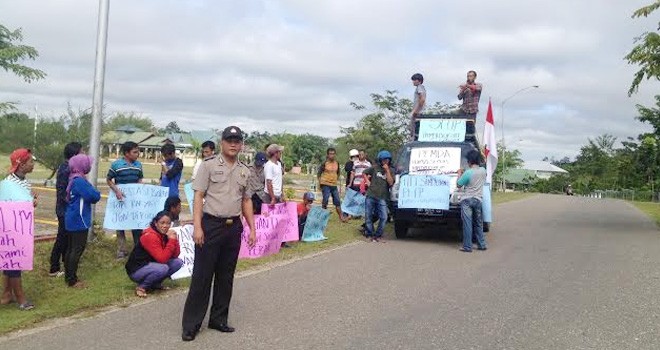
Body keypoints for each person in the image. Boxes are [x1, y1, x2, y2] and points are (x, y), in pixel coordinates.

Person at [181, 125, 256, 341]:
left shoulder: (245, 170)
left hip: (233, 228)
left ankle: (218, 319)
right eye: (229, 140)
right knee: (202, 277)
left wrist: (252, 229)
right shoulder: (209, 165)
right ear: (222, 142)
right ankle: (191, 324)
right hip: (211, 225)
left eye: (237, 140)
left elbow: (246, 200)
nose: (233, 144)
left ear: (241, 144)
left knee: (226, 277)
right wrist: (197, 226)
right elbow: (198, 196)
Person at [1, 148, 37, 310]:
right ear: (21, 165)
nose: (33, 164)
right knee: (14, 263)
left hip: (21, 230)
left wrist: (32, 202)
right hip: (10, 231)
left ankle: (7, 294)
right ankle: (21, 299)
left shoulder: (23, 182)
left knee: (10, 263)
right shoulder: (8, 184)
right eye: (30, 162)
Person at [125, 211, 183, 298]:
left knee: (178, 262)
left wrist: (175, 239)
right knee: (163, 268)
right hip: (136, 269)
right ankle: (141, 287)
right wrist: (171, 241)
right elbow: (162, 259)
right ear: (156, 223)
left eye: (168, 223)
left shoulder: (164, 234)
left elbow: (175, 255)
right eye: (162, 223)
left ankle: (155, 284)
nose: (165, 226)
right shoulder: (149, 236)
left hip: (151, 265)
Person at [64, 154, 101, 288]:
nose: (90, 166)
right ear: (82, 166)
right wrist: (96, 192)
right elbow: (93, 196)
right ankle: (72, 280)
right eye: (88, 164)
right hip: (79, 220)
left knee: (70, 249)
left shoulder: (73, 178)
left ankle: (69, 276)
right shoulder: (80, 181)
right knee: (76, 249)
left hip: (71, 218)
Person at [49, 142, 82, 277]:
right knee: (62, 238)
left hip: (67, 209)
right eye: (81, 153)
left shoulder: (70, 167)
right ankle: (54, 267)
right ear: (74, 155)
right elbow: (62, 192)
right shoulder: (66, 169)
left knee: (67, 238)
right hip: (64, 210)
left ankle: (66, 263)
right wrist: (71, 204)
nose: (84, 155)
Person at [107, 141, 144, 259]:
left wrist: (139, 188)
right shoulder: (116, 165)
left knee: (136, 225)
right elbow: (109, 180)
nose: (137, 154)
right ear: (127, 153)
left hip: (134, 201)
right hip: (120, 200)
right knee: (120, 224)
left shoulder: (138, 165)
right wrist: (116, 190)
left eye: (138, 151)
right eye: (135, 152)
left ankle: (138, 249)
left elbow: (139, 179)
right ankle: (121, 251)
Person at [456, 149, 487, 252]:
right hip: (478, 200)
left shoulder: (468, 172)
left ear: (469, 161)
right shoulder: (483, 171)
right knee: (478, 223)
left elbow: (459, 184)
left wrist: (460, 173)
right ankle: (481, 244)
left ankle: (467, 246)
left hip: (467, 201)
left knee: (467, 223)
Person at [362, 150, 394, 242]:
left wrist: (387, 170)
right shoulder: (375, 168)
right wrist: (367, 181)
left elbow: (391, 183)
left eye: (387, 159)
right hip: (371, 194)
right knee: (368, 216)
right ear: (380, 160)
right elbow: (364, 172)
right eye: (384, 160)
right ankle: (370, 233)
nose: (386, 161)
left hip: (383, 197)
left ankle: (378, 234)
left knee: (383, 217)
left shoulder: (391, 170)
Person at [317, 147, 347, 222]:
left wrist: (336, 180)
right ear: (327, 155)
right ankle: (322, 217)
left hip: (333, 185)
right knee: (325, 200)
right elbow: (319, 173)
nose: (332, 155)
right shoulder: (324, 163)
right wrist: (320, 183)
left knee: (337, 201)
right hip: (325, 184)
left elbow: (338, 172)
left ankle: (341, 217)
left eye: (333, 154)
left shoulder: (337, 163)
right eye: (330, 154)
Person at [458, 70, 483, 136]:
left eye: (471, 76)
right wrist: (463, 89)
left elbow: (477, 89)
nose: (469, 77)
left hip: (473, 111)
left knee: (471, 129)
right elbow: (459, 97)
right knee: (462, 128)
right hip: (464, 110)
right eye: (468, 76)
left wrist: (467, 86)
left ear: (475, 77)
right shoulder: (464, 87)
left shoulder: (479, 85)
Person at [410, 73, 427, 139]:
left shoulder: (420, 87)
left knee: (416, 133)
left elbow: (422, 99)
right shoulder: (420, 88)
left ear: (419, 80)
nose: (413, 82)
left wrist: (415, 111)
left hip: (419, 114)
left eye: (415, 80)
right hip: (419, 113)